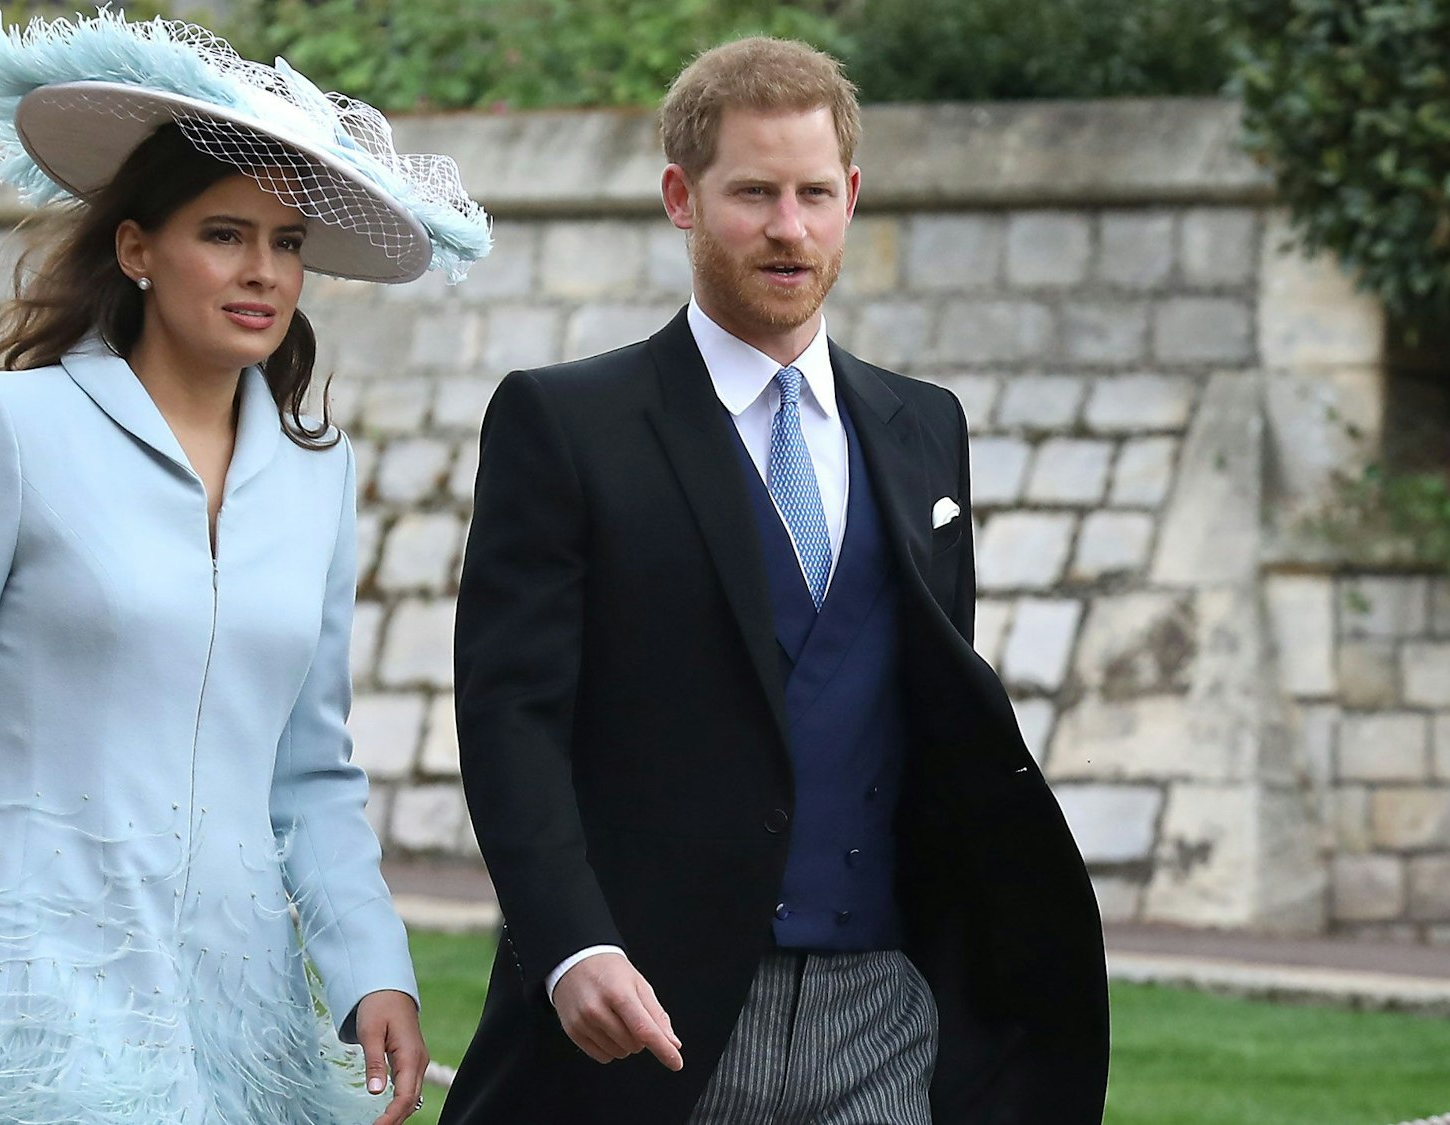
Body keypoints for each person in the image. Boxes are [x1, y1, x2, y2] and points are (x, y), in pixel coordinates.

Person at [0, 12, 489, 1125]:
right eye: (224, 234)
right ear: (136, 249)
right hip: (32, 966)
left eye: (286, 243)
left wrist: (373, 966)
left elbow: (313, 765)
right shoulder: (8, 425)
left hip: (240, 991)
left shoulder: (316, 476)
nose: (263, 271)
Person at [443, 36, 1106, 1125]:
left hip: (883, 1012)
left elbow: (933, 713)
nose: (787, 228)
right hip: (655, 1014)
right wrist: (570, 945)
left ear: (849, 198)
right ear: (680, 198)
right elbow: (509, 715)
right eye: (751, 193)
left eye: (811, 193)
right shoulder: (565, 424)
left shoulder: (923, 427)